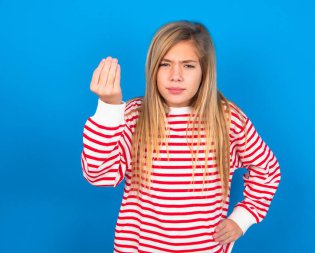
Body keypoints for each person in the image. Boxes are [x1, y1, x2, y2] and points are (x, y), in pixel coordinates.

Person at [81, 20, 281, 253]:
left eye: (188, 66)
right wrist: (109, 107)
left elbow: (267, 170)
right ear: (153, 69)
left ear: (204, 71)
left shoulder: (227, 119)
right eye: (165, 64)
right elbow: (99, 175)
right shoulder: (135, 116)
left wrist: (242, 218)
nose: (175, 76)